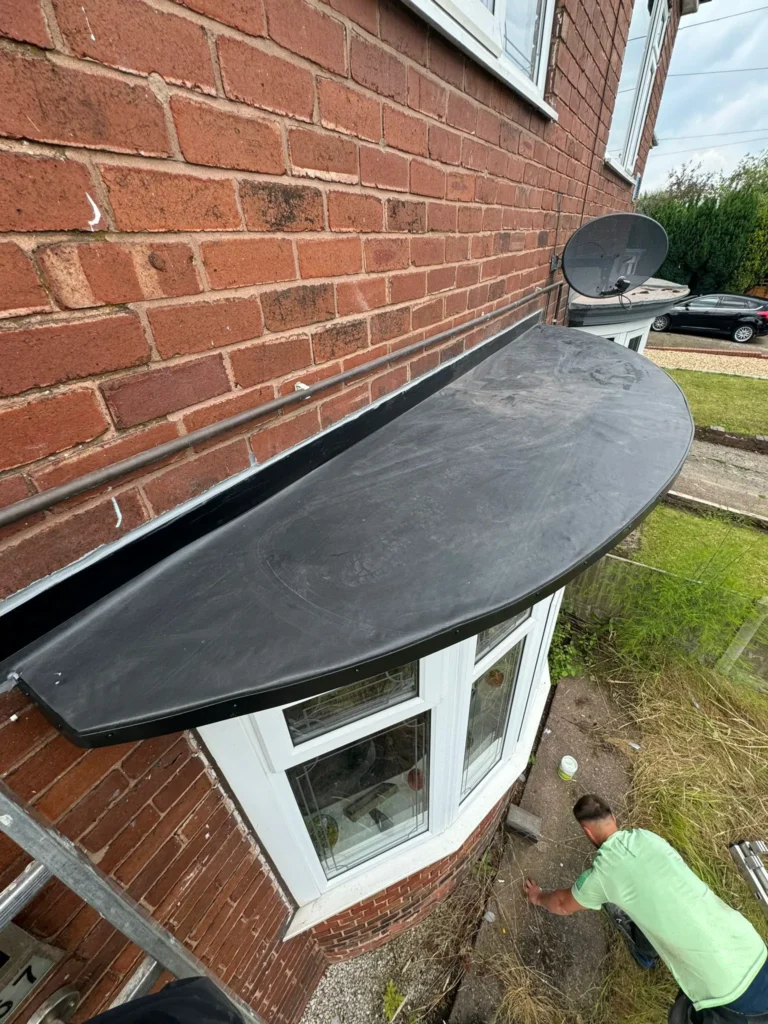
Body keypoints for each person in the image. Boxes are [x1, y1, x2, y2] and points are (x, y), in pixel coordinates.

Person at [524, 794, 768, 1023]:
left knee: (682, 1015)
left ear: (586, 831)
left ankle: (649, 958)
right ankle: (645, 953)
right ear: (614, 818)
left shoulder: (602, 875)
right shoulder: (647, 837)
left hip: (727, 993)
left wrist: (537, 897)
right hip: (750, 946)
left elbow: (562, 904)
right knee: (655, 908)